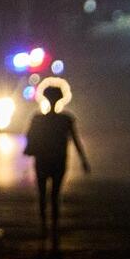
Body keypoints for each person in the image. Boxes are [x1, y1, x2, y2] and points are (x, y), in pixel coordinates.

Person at [24, 86, 90, 228]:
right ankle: (54, 225)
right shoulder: (66, 120)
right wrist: (83, 160)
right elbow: (76, 140)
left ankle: (43, 225)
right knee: (55, 194)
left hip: (42, 160)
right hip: (59, 160)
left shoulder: (37, 119)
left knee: (42, 194)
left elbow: (29, 137)